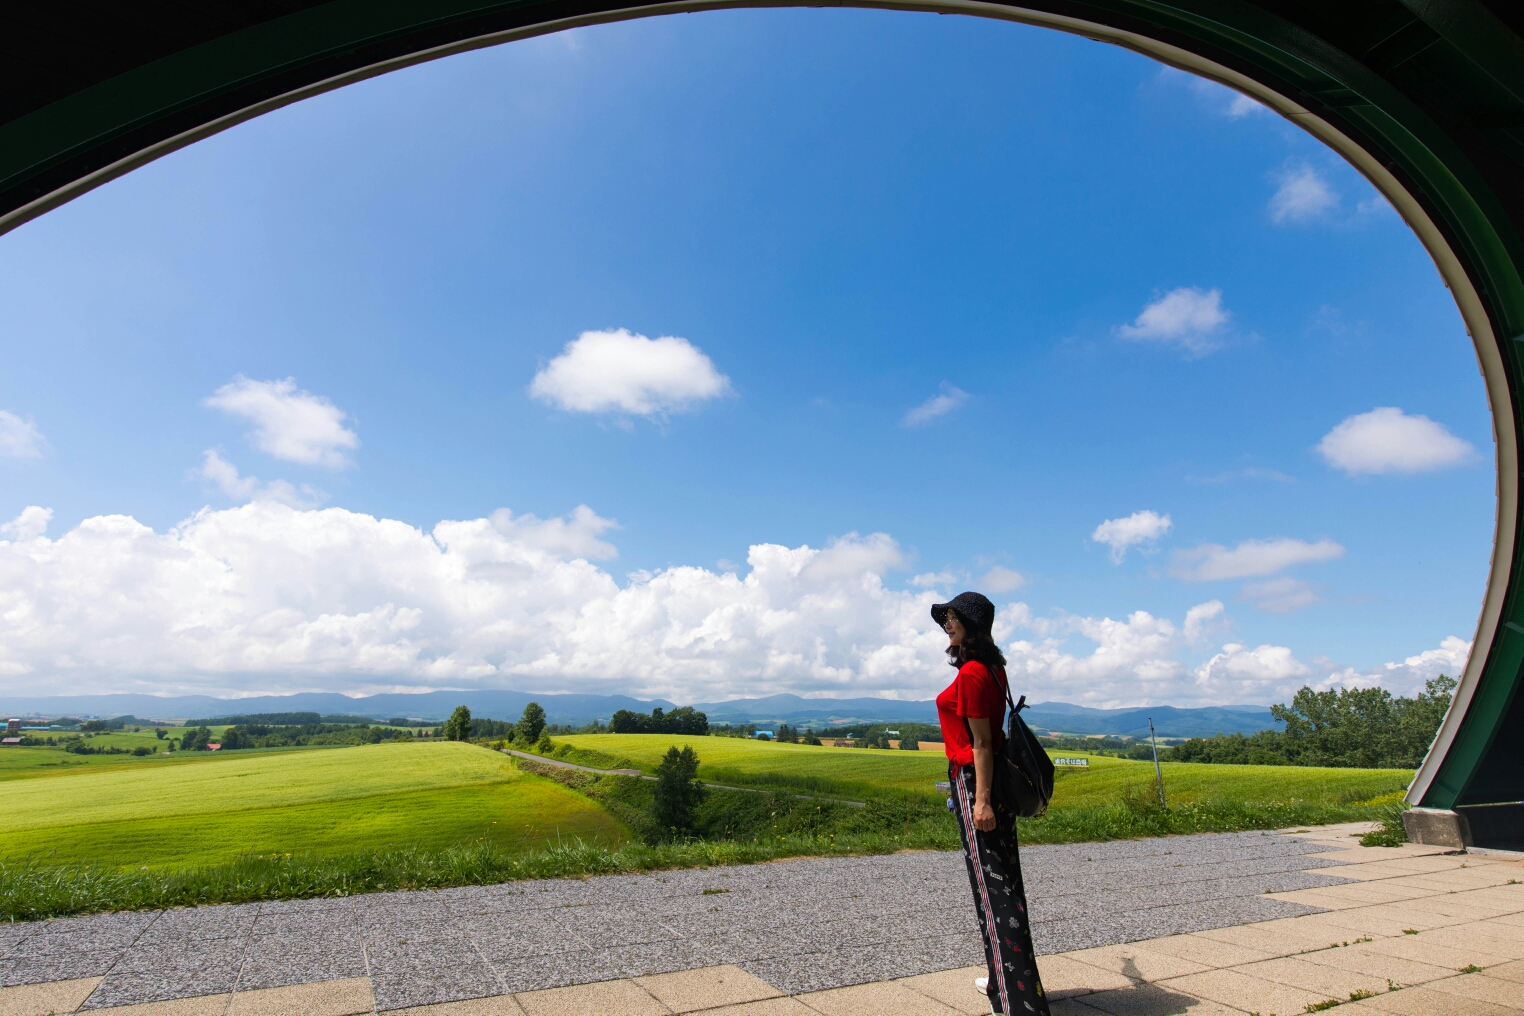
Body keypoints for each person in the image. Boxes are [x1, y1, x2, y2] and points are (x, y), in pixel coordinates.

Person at [933, 591, 1049, 1016]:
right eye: (944, 618)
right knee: (1001, 884)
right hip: (989, 781)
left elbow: (982, 743)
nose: (947, 625)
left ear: (970, 623)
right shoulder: (992, 668)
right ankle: (1006, 983)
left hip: (976, 781)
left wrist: (980, 801)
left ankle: (1020, 1003)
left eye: (952, 618)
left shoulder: (974, 674)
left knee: (994, 889)